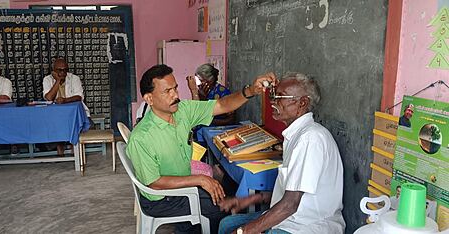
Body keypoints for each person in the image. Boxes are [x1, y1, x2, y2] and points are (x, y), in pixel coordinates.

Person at [126, 64, 276, 234]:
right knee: (222, 208)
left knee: (222, 194)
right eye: (167, 91)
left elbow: (222, 105)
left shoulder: (182, 110)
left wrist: (250, 91)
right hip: (162, 198)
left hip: (181, 185)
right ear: (149, 99)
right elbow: (154, 183)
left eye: (175, 88)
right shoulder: (141, 137)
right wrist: (200, 179)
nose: (175, 95)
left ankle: (191, 226)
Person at [218, 72, 345, 234]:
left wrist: (245, 231)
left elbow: (290, 204)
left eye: (281, 97)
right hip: (290, 219)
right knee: (227, 225)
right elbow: (290, 191)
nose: (273, 101)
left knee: (240, 230)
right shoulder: (296, 136)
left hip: (307, 226)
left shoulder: (310, 139)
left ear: (302, 103)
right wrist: (250, 199)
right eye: (274, 95)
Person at [43, 58, 90, 155]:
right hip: (55, 115)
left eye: (65, 70)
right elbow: (48, 98)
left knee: (74, 122)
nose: (63, 72)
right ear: (54, 70)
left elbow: (79, 96)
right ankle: (60, 145)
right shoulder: (47, 80)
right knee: (53, 123)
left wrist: (65, 100)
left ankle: (74, 146)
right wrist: (57, 81)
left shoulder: (74, 78)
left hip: (73, 114)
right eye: (59, 70)